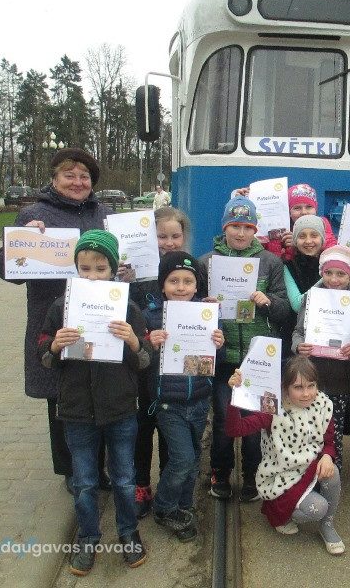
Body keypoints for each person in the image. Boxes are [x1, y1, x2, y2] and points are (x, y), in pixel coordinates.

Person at [0, 147, 112, 493]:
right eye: (69, 175)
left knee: (99, 391)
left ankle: (97, 468)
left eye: (84, 176)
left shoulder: (105, 214)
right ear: (54, 179)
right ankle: (71, 471)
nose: (77, 182)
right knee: (62, 397)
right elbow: (7, 271)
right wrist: (23, 242)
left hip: (98, 320)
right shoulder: (34, 214)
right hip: (55, 320)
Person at [37, 230, 151, 575]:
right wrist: (55, 345)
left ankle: (128, 532)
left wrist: (133, 341)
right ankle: (87, 537)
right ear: (76, 269)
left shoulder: (128, 307)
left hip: (119, 408)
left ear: (113, 270)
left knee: (124, 478)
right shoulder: (61, 307)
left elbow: (145, 361)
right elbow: (43, 355)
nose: (93, 276)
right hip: (76, 409)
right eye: (85, 268)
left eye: (101, 269)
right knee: (84, 480)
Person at [198, 196, 291, 502]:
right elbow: (190, 305)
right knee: (224, 418)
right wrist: (203, 307)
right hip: (223, 356)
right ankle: (221, 472)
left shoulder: (270, 262)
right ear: (224, 227)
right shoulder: (206, 262)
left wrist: (268, 302)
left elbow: (285, 310)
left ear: (255, 230)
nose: (240, 233)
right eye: (234, 226)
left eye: (247, 227)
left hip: (257, 357)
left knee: (255, 421)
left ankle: (253, 474)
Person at [225, 356, 345, 555]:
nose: (306, 393)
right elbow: (234, 429)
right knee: (318, 507)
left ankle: (327, 525)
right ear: (285, 387)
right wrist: (234, 395)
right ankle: (281, 514)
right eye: (298, 387)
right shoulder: (273, 410)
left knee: (333, 473)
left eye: (311, 386)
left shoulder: (323, 404)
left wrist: (327, 456)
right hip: (283, 476)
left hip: (309, 469)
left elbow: (330, 441)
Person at [145, 251, 224, 542]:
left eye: (188, 281)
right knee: (182, 459)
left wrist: (219, 343)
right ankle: (164, 507)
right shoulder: (152, 316)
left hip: (199, 400)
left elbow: (217, 360)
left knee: (193, 461)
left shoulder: (207, 314)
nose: (181, 287)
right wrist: (149, 343)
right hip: (169, 403)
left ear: (196, 285)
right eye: (173, 280)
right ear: (162, 284)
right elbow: (140, 360)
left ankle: (184, 505)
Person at [118, 206, 192, 518]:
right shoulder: (136, 274)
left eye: (175, 236)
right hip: (142, 368)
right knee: (142, 427)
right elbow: (123, 313)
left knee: (169, 429)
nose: (169, 242)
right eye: (162, 236)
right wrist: (124, 282)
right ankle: (140, 484)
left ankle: (166, 482)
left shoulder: (187, 269)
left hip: (174, 372)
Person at [292, 245, 350, 469]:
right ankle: (305, 474)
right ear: (321, 273)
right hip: (312, 376)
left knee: (333, 433)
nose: (334, 279)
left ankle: (332, 474)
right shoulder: (311, 298)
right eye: (328, 273)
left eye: (341, 274)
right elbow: (298, 331)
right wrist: (298, 346)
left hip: (340, 380)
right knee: (306, 429)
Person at [282, 215, 350, 356]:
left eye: (314, 235)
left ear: (322, 239)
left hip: (341, 351)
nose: (308, 241)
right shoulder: (290, 266)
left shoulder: (334, 261)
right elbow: (298, 305)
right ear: (295, 240)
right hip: (305, 344)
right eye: (302, 236)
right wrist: (325, 276)